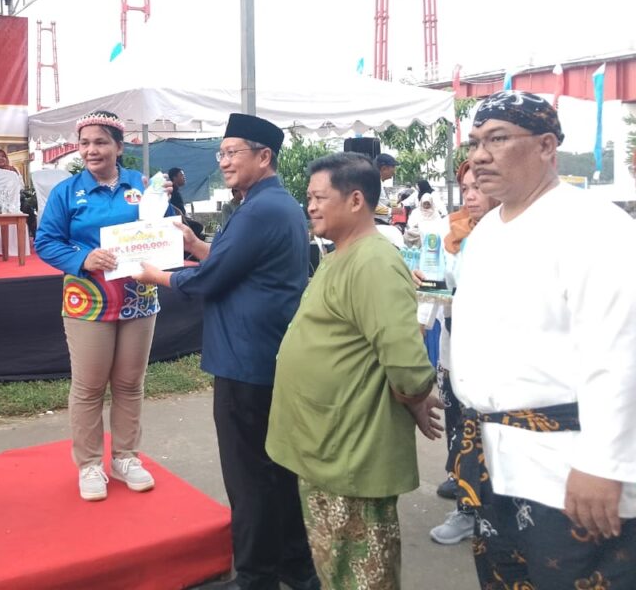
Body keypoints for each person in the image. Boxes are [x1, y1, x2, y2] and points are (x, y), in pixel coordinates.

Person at [452, 90, 636, 588]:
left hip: (569, 469)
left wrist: (602, 463)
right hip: (495, 462)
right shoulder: (486, 231)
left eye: (497, 139)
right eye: (475, 143)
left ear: (547, 146)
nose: (480, 156)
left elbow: (619, 354)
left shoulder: (595, 227)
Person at [134, 113, 318, 590]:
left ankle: (255, 576)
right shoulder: (275, 204)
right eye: (222, 153)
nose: (224, 162)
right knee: (274, 469)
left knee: (249, 474)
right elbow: (234, 263)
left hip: (245, 358)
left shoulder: (259, 210)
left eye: (233, 152)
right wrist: (196, 244)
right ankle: (296, 568)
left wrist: (155, 276)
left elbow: (213, 279)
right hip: (266, 353)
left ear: (264, 156)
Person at [264, 152, 441, 590]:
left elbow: (405, 362)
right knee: (334, 565)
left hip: (350, 452)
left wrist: (414, 397)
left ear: (356, 199)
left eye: (319, 197)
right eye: (309, 198)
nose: (310, 206)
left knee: (360, 574)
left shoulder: (374, 262)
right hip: (325, 443)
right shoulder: (341, 254)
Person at [34, 110, 163, 503]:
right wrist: (83, 258)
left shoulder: (141, 185)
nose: (91, 150)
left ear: (119, 147)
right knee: (89, 386)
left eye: (101, 142)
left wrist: (164, 207)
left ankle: (126, 457)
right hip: (88, 301)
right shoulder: (66, 192)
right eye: (85, 142)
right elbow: (46, 242)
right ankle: (90, 463)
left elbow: (161, 230)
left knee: (129, 383)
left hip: (139, 298)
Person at [422, 160, 499, 547]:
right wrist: (421, 321)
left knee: (491, 433)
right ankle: (467, 508)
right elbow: (436, 284)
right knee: (460, 425)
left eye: (478, 187)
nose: (470, 196)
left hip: (499, 355)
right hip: (457, 344)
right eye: (465, 188)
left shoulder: (511, 232)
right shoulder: (450, 231)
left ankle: (492, 510)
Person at [168, 167, 205, 241]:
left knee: (199, 229)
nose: (184, 177)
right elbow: (177, 212)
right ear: (174, 178)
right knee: (198, 227)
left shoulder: (175, 191)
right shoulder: (172, 192)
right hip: (176, 221)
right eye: (181, 175)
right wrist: (185, 221)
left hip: (182, 219)